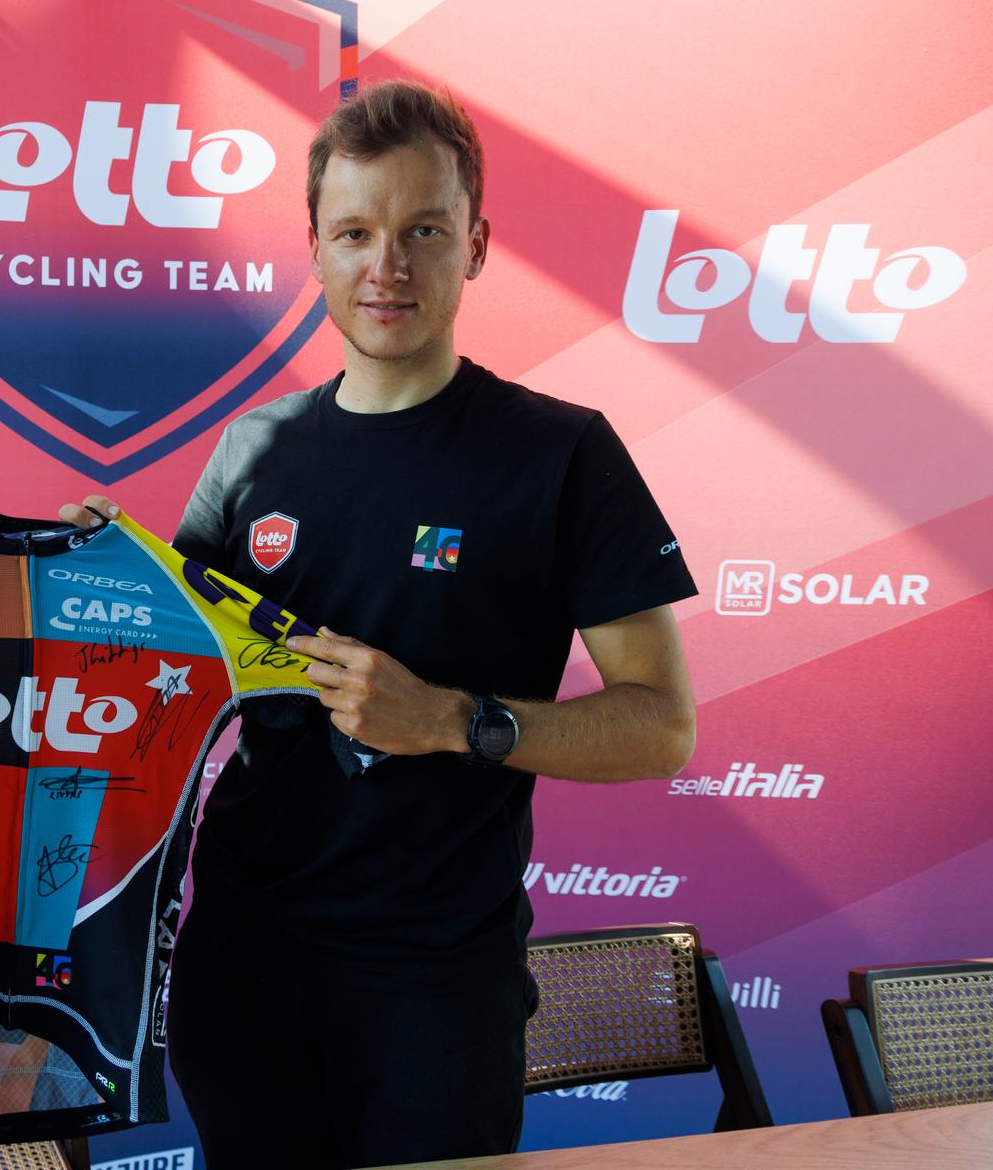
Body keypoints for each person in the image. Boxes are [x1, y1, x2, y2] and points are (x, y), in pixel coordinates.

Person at [62, 79, 697, 1168]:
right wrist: (98, 581)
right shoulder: (253, 449)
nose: (387, 266)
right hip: (244, 962)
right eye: (356, 232)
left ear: (476, 246)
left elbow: (662, 725)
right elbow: (174, 675)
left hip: (434, 984)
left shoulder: (561, 453)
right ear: (315, 248)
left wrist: (453, 720)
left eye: (424, 231)